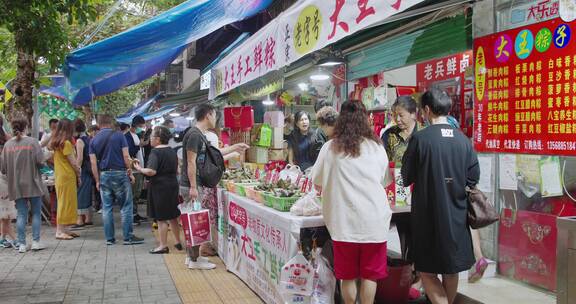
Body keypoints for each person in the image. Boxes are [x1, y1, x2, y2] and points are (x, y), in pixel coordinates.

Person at [401, 89, 479, 304]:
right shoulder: (464, 141)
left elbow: (406, 177)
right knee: (450, 270)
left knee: (426, 271)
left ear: (426, 110)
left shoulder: (420, 139)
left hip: (428, 216)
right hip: (457, 215)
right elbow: (473, 178)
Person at [311, 101, 392, 304]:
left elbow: (316, 179)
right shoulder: (376, 147)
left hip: (343, 222)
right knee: (370, 275)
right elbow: (385, 179)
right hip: (374, 221)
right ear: (365, 120)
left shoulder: (331, 147)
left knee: (347, 275)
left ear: (341, 121)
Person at [180, 104, 248, 270]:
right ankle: (194, 260)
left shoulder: (199, 134)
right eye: (215, 115)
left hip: (194, 184)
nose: (216, 119)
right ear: (208, 115)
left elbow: (214, 154)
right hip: (193, 184)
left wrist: (235, 147)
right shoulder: (195, 135)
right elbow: (190, 162)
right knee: (195, 221)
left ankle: (192, 258)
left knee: (193, 220)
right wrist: (194, 187)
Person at [89, 114, 144, 246]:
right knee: (125, 206)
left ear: (99, 125)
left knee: (107, 208)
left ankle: (110, 239)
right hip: (120, 174)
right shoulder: (119, 135)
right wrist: (130, 172)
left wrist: (97, 180)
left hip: (104, 175)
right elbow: (126, 156)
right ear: (111, 122)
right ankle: (127, 237)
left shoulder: (93, 140)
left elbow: (93, 164)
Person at [134, 126, 182, 254]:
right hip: (172, 185)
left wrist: (139, 169)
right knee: (173, 216)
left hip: (160, 187)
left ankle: (163, 246)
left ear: (158, 139)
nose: (150, 139)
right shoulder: (172, 151)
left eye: (151, 137)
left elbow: (151, 171)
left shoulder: (155, 152)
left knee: (161, 218)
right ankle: (178, 242)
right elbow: (178, 170)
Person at [1, 118, 45, 253]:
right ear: (26, 127)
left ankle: (21, 244)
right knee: (36, 213)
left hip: (16, 185)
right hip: (33, 182)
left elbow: (3, 168)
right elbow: (41, 162)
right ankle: (36, 242)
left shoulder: (8, 145)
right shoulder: (32, 142)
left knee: (21, 214)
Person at [49, 119, 81, 240]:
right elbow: (73, 162)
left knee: (66, 202)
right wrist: (79, 172)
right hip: (67, 176)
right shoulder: (66, 143)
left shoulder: (57, 143)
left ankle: (65, 229)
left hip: (61, 176)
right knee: (64, 203)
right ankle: (59, 230)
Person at [382, 96, 422, 165]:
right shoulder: (389, 134)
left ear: (413, 114)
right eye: (395, 115)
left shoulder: (424, 133)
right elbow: (381, 160)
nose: (397, 119)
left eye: (401, 115)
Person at [125, 115, 147, 224]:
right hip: (133, 169)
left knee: (137, 193)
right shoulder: (128, 136)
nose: (142, 128)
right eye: (141, 126)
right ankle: (132, 215)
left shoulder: (136, 135)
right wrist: (140, 145)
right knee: (133, 193)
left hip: (139, 168)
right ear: (136, 124)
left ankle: (135, 213)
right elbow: (130, 151)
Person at [0, 116, 16, 248]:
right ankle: (15, 239)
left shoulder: (6, 138)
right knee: (6, 212)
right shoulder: (7, 139)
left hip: (4, 178)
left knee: (4, 212)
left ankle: (3, 238)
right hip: (4, 179)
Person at [75, 119, 94, 227]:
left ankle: (80, 220)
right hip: (89, 169)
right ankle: (88, 218)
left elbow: (80, 158)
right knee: (87, 194)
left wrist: (77, 170)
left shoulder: (79, 141)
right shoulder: (88, 138)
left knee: (80, 194)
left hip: (83, 170)